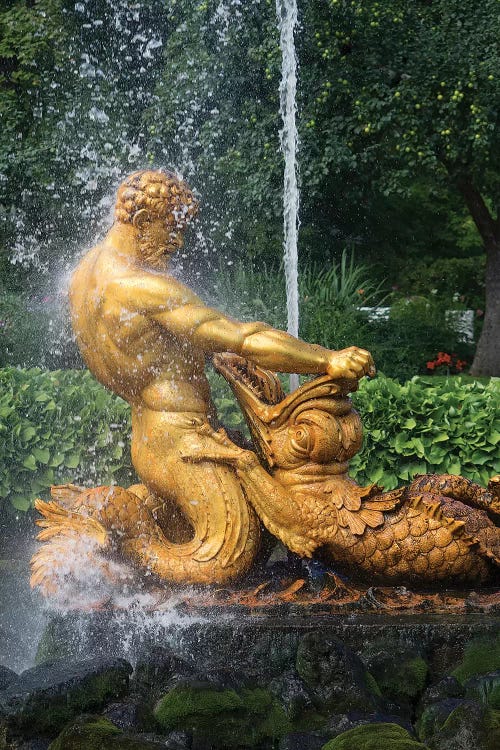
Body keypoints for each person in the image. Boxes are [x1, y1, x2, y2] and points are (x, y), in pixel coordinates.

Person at [68, 169, 375, 583]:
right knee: (230, 557)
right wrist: (327, 360)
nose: (178, 242)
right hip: (184, 442)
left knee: (257, 527)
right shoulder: (142, 287)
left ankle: (135, 541)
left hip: (152, 436)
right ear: (141, 223)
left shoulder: (85, 274)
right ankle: (134, 558)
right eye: (171, 228)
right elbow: (240, 338)